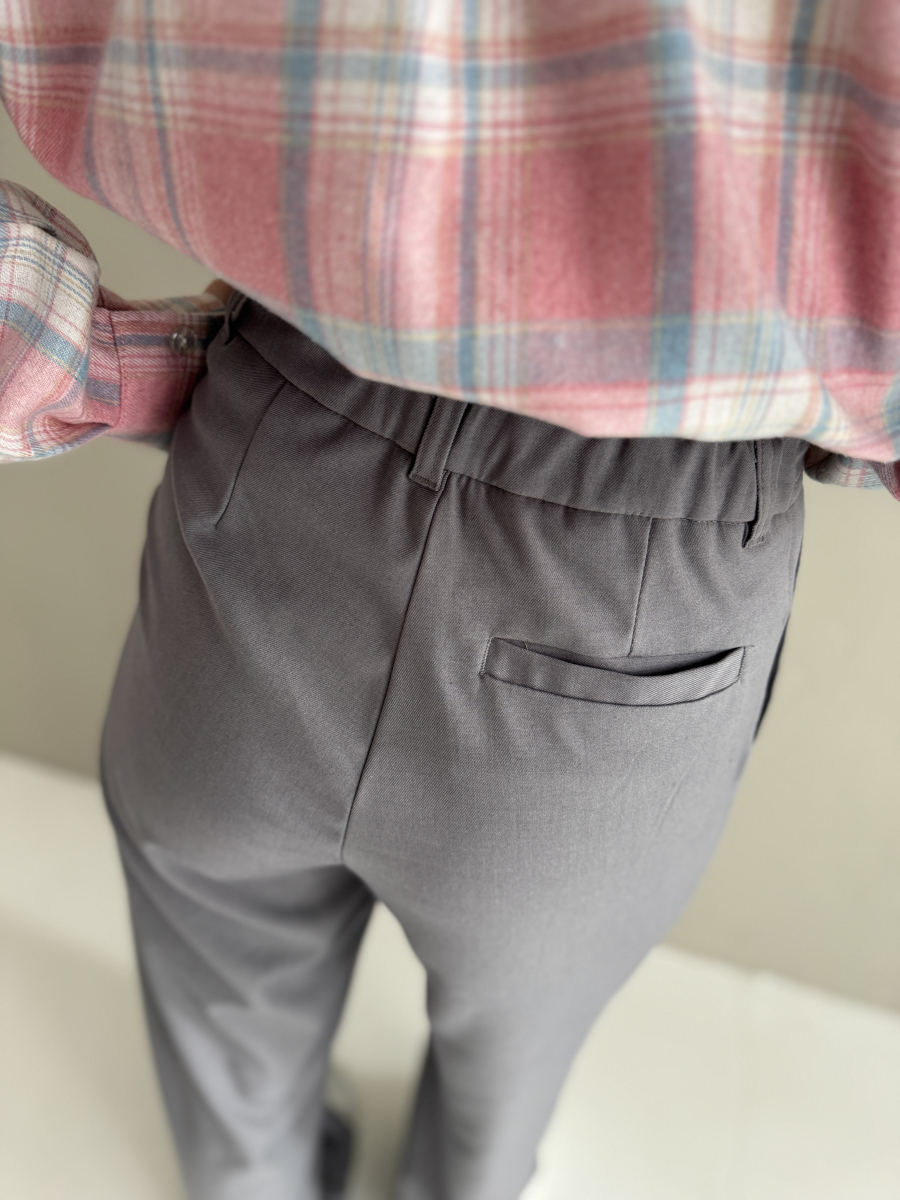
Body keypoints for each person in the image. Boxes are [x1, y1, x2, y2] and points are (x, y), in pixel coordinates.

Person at [1, 4, 898, 1199]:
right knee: (505, 1079)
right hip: (643, 598)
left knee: (223, 989)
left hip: (280, 434)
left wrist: (80, 359)